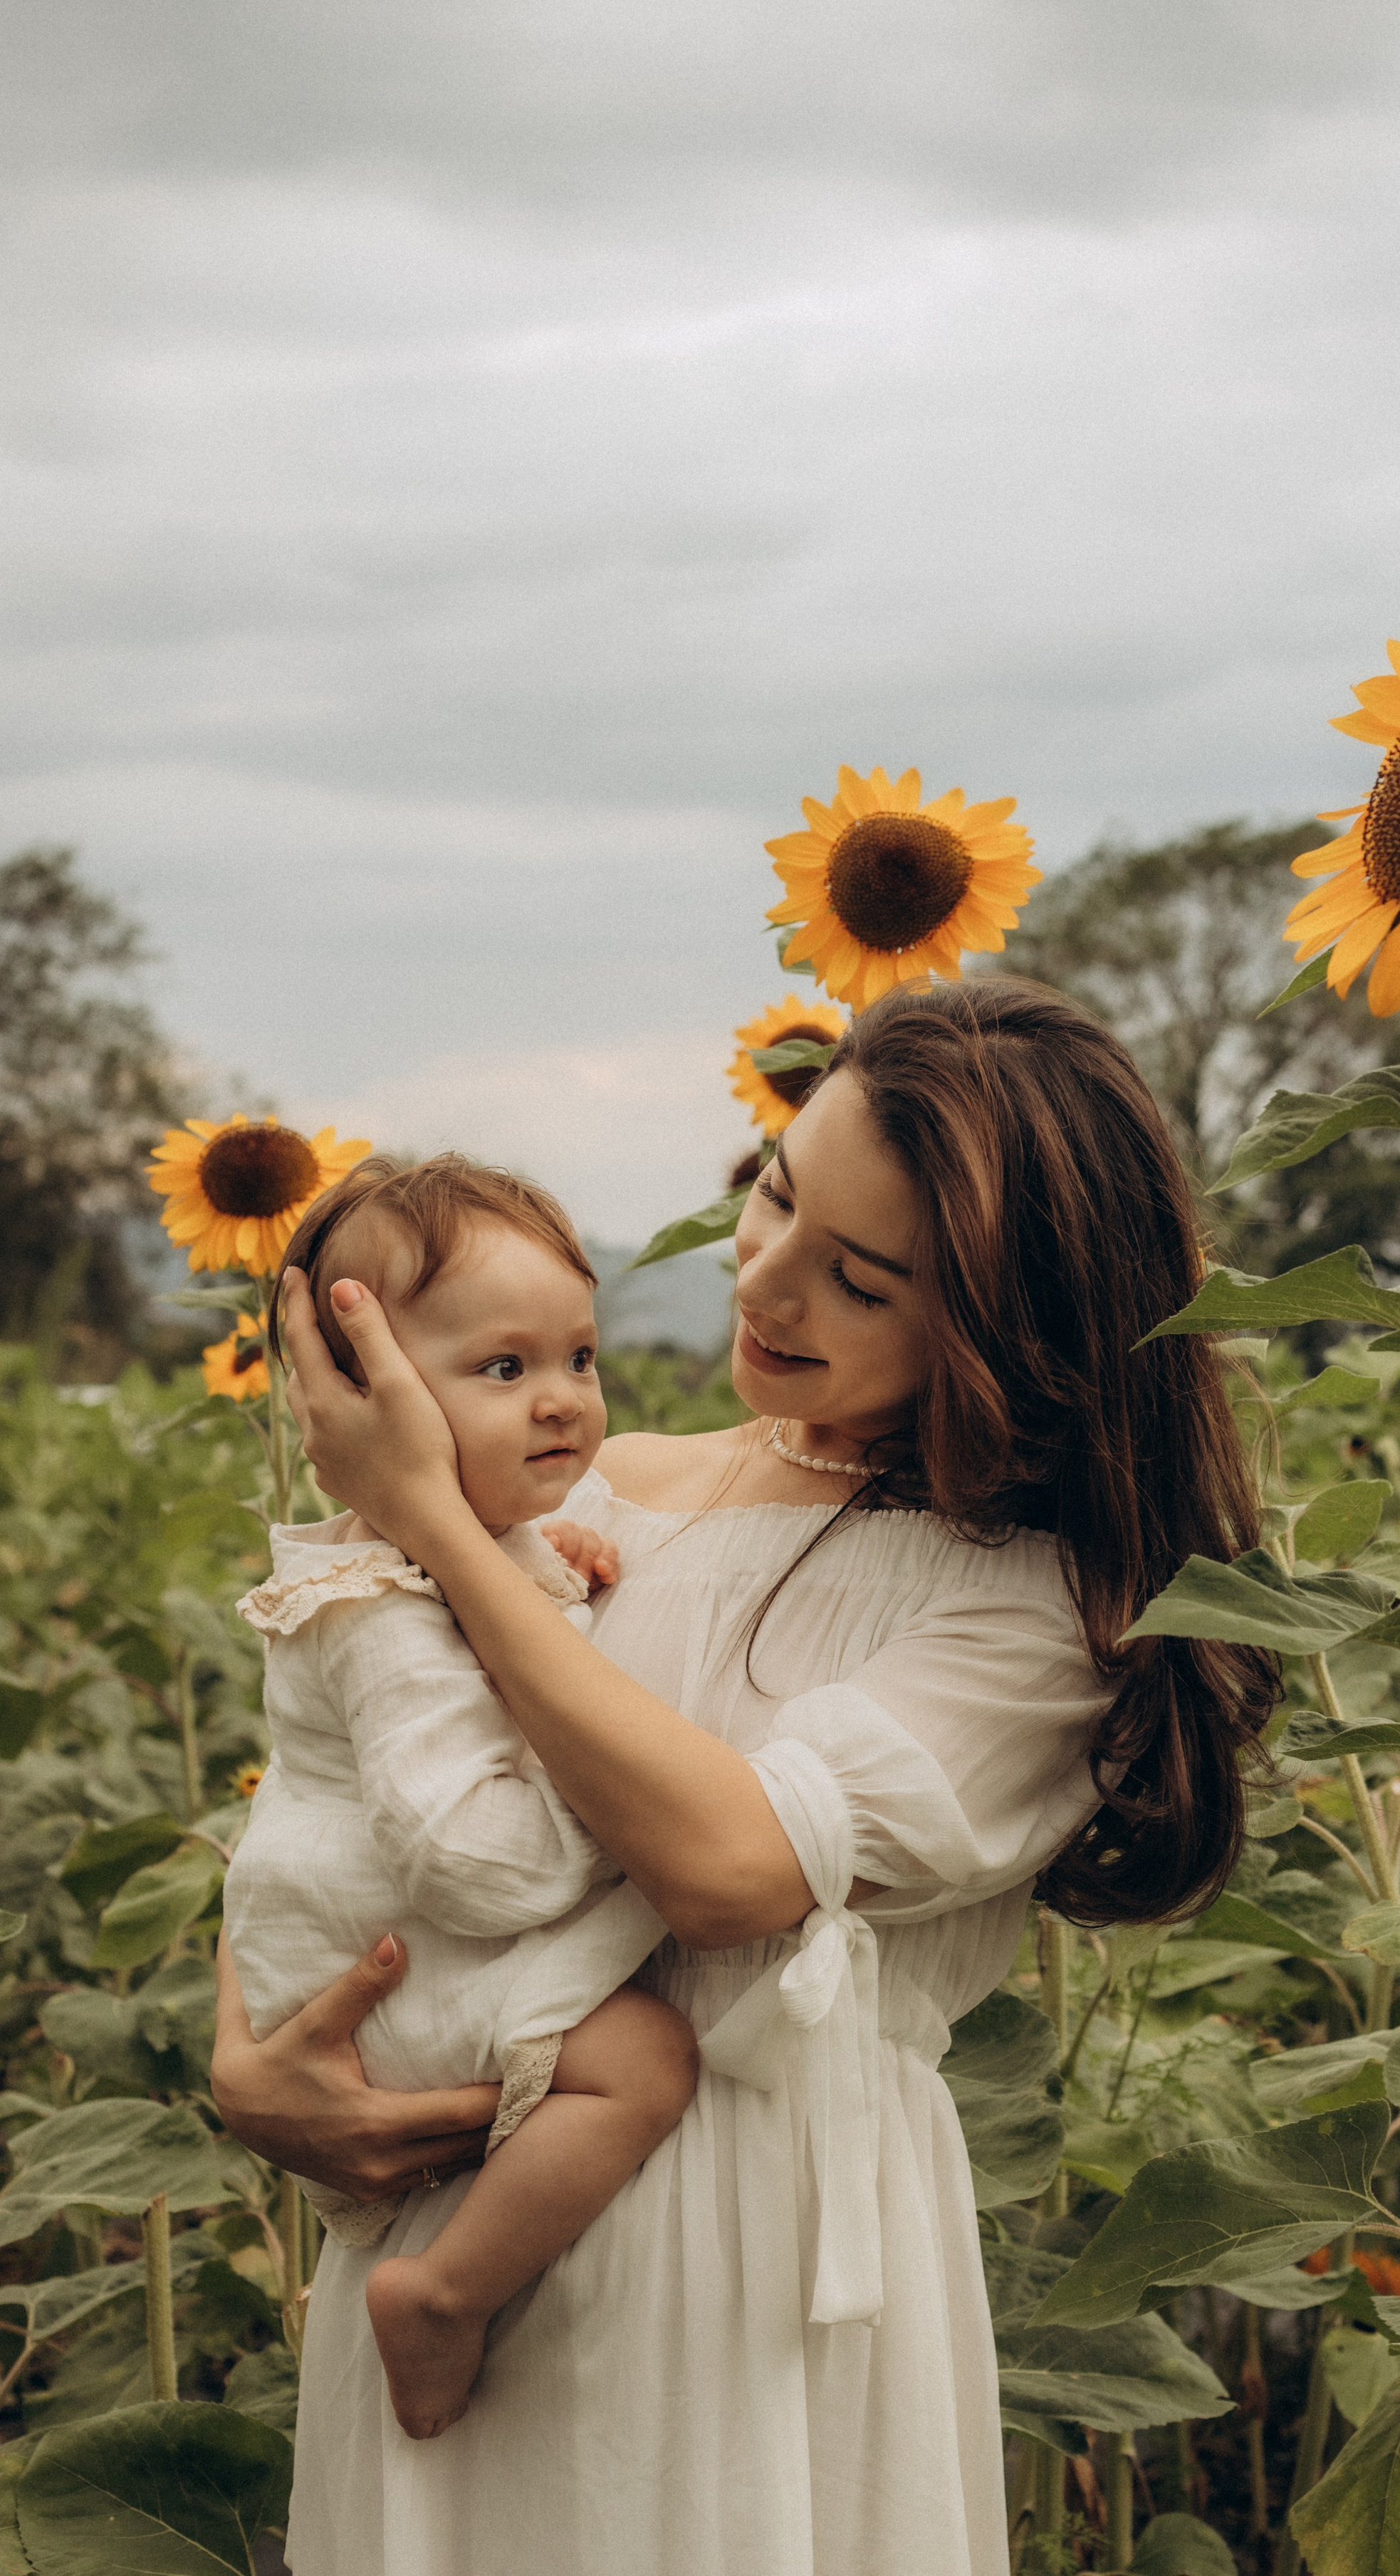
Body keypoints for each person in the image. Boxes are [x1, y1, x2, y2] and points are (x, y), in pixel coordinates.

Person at [211, 978, 1278, 2576]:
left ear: (1004, 1328)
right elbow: (353, 1779)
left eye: (857, 1279)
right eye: (774, 1194)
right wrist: (248, 2067)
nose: (765, 1283)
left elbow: (722, 1865)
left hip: (752, 2280)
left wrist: (427, 1517)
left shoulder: (1038, 1607)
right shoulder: (605, 1499)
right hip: (461, 2226)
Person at [229, 1155, 698, 2439]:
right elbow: (475, 1863)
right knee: (643, 2062)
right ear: (360, 1394)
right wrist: (626, 1801)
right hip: (378, 1965)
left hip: (394, 1935)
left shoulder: (473, 1543)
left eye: (582, 1359)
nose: (562, 1404)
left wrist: (547, 1567)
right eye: (504, 1370)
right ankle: (440, 2293)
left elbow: (491, 1613)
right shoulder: (376, 1610)